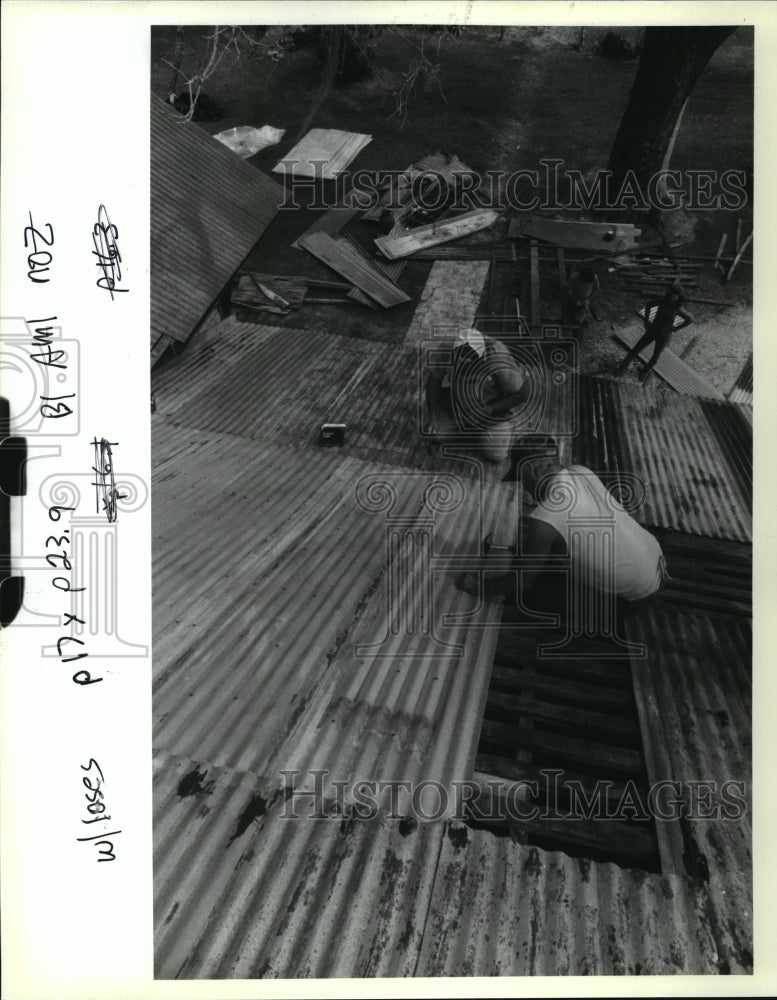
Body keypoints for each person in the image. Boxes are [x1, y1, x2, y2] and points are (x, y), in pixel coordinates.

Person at [458, 449, 668, 626]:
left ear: (529, 470)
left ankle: (605, 614)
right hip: (656, 561)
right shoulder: (580, 472)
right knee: (552, 551)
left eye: (523, 481)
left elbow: (523, 581)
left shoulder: (546, 517)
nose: (527, 491)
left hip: (633, 598)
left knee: (530, 596)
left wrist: (479, 586)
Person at [424, 328, 528, 464]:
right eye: (462, 365)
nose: (467, 372)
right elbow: (434, 380)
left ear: (482, 356)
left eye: (472, 366)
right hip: (457, 403)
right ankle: (467, 428)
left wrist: (488, 409)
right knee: (436, 435)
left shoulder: (498, 358)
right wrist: (431, 416)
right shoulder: (447, 349)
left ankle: (477, 429)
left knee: (496, 455)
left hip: (490, 409)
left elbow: (522, 394)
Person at [617, 281, 693, 381]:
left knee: (655, 357)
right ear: (669, 294)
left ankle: (645, 372)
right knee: (636, 350)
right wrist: (646, 322)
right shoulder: (662, 301)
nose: (673, 298)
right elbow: (648, 305)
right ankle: (621, 368)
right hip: (652, 330)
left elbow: (689, 320)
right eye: (672, 295)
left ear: (679, 298)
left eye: (676, 297)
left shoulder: (677, 309)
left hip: (664, 335)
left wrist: (675, 329)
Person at [562, 267, 599, 334]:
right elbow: (566, 290)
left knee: (578, 321)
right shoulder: (574, 277)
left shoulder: (594, 277)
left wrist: (588, 299)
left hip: (584, 302)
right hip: (573, 300)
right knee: (569, 318)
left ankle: (576, 333)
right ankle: (569, 332)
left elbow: (596, 288)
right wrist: (573, 300)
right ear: (582, 277)